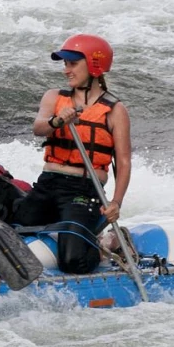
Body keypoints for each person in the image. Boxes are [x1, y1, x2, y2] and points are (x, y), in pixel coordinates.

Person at [13, 34, 132, 274]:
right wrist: (57, 121)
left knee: (73, 262)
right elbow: (38, 128)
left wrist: (116, 202)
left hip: (83, 191)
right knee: (7, 226)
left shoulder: (115, 110)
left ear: (94, 66)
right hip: (49, 183)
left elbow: (123, 161)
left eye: (73, 64)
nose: (66, 70)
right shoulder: (54, 97)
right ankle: (66, 227)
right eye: (65, 64)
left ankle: (106, 244)